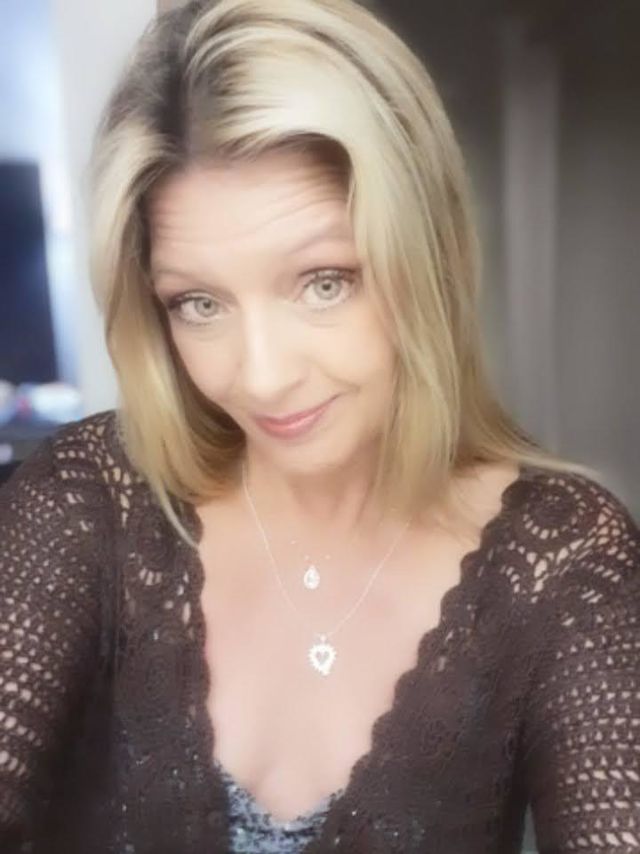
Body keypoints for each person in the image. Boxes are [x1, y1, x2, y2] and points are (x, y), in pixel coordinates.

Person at [1, 0, 639, 851]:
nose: (261, 376)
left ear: (429, 255)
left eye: (324, 282)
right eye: (199, 303)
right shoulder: (87, 498)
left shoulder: (563, 555)